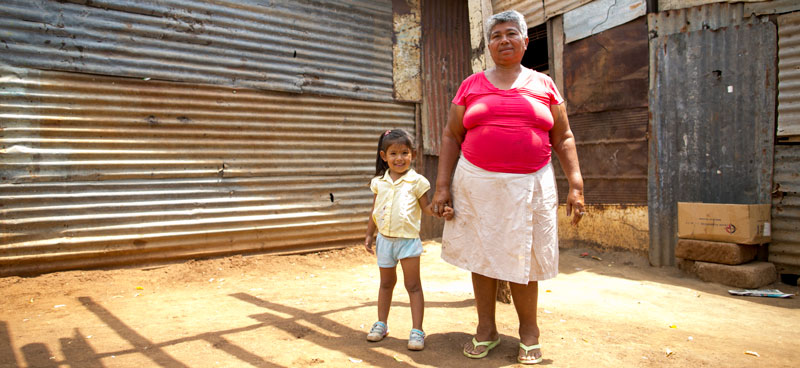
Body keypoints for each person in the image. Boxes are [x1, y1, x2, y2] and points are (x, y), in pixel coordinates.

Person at [431, 10, 585, 365]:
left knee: (525, 258)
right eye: (496, 35)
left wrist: (575, 183)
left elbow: (562, 136)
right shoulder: (471, 85)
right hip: (477, 183)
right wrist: (442, 187)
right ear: (488, 45)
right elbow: (452, 135)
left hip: (531, 183)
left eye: (511, 33)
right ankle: (486, 330)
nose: (504, 40)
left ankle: (528, 332)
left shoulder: (544, 85)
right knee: (482, 256)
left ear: (525, 42)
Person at [364, 128, 453, 351]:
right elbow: (376, 210)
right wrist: (369, 234)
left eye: (404, 153)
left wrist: (441, 211)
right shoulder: (379, 182)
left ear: (412, 154)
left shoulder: (417, 182)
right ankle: (381, 324)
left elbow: (427, 209)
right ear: (384, 156)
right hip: (385, 241)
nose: (399, 158)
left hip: (408, 242)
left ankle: (417, 330)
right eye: (393, 154)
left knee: (413, 286)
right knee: (385, 284)